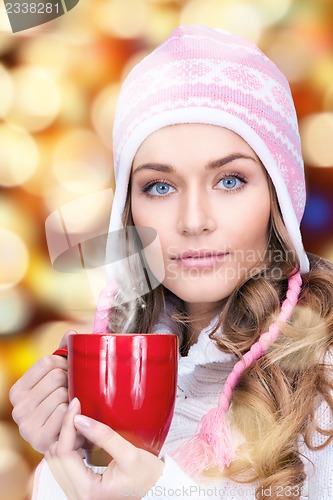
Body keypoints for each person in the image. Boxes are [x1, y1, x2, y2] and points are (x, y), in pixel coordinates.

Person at [9, 25, 333, 500]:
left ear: (279, 197)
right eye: (160, 186)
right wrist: (62, 468)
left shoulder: (322, 380)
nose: (193, 221)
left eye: (229, 180)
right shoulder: (112, 367)